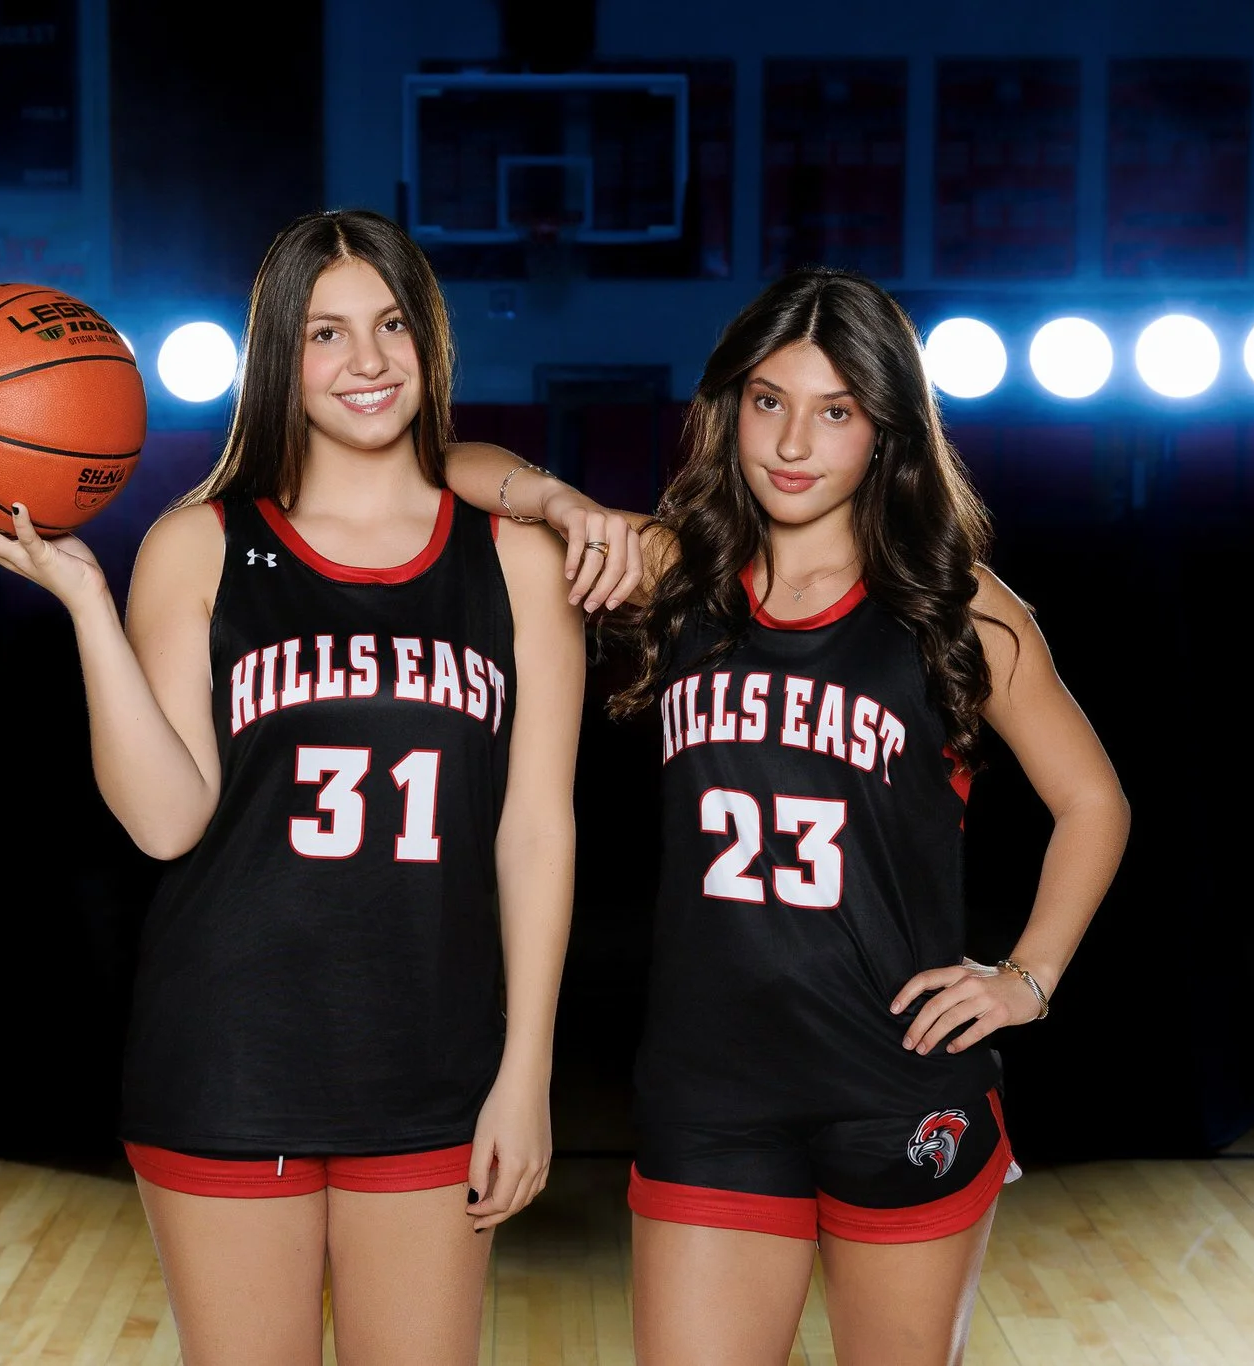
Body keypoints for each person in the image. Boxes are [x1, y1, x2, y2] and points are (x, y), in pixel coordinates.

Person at [0, 209, 583, 1365]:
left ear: (430, 341)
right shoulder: (201, 545)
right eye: (325, 333)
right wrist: (87, 604)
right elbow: (166, 819)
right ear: (279, 354)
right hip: (227, 1055)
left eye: (389, 326)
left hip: (432, 1067)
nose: (365, 361)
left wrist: (524, 1073)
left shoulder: (516, 560)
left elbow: (534, 831)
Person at [447, 267, 1129, 1364]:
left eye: (834, 410)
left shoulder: (957, 608)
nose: (792, 441)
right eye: (767, 401)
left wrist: (1026, 979)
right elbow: (450, 470)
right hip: (709, 1093)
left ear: (886, 431)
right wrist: (565, 502)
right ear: (726, 411)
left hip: (894, 1080)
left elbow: (1092, 799)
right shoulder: (673, 575)